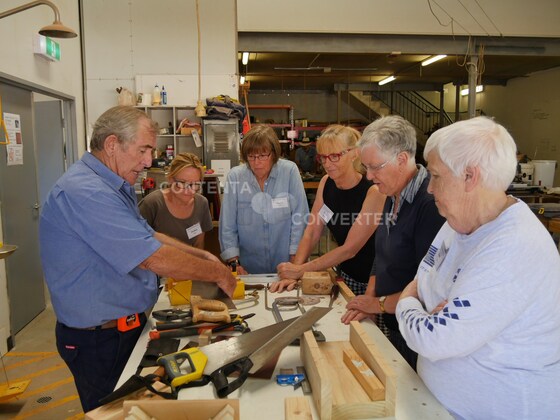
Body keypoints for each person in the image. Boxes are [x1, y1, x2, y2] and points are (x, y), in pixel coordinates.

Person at [39, 106, 236, 412]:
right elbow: (151, 258)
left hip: (123, 330)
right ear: (112, 144)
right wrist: (218, 273)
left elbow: (147, 234)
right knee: (114, 414)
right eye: (143, 150)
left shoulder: (113, 186)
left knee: (137, 410)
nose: (148, 161)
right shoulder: (87, 192)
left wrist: (202, 254)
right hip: (99, 342)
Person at [396, 116, 560, 419]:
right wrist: (430, 308)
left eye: (436, 176)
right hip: (442, 407)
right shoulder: (457, 222)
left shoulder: (514, 246)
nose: (429, 189)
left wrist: (405, 303)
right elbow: (423, 277)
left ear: (470, 176)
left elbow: (434, 337)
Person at [342, 115, 445, 370]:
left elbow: (429, 286)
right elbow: (381, 254)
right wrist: (369, 301)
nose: (369, 176)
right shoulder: (391, 191)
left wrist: (378, 304)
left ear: (402, 159)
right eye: (366, 167)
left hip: (416, 334)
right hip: (393, 322)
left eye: (375, 167)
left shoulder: (429, 205)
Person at [271, 125, 386, 295]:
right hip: (347, 276)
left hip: (376, 283)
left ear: (354, 153)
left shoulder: (373, 192)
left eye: (334, 156)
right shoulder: (327, 183)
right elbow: (312, 232)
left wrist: (301, 270)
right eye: (323, 157)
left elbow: (349, 249)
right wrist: (294, 271)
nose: (327, 163)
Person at [219, 124, 309, 274]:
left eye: (262, 156)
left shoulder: (289, 171)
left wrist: (295, 258)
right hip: (247, 268)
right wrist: (234, 262)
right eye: (251, 156)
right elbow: (227, 224)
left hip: (286, 264)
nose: (256, 162)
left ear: (273, 154)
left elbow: (300, 216)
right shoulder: (235, 177)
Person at [139, 152, 212, 249]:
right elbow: (137, 245)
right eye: (182, 183)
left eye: (195, 184)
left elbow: (198, 245)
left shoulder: (201, 203)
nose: (189, 190)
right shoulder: (152, 204)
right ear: (170, 179)